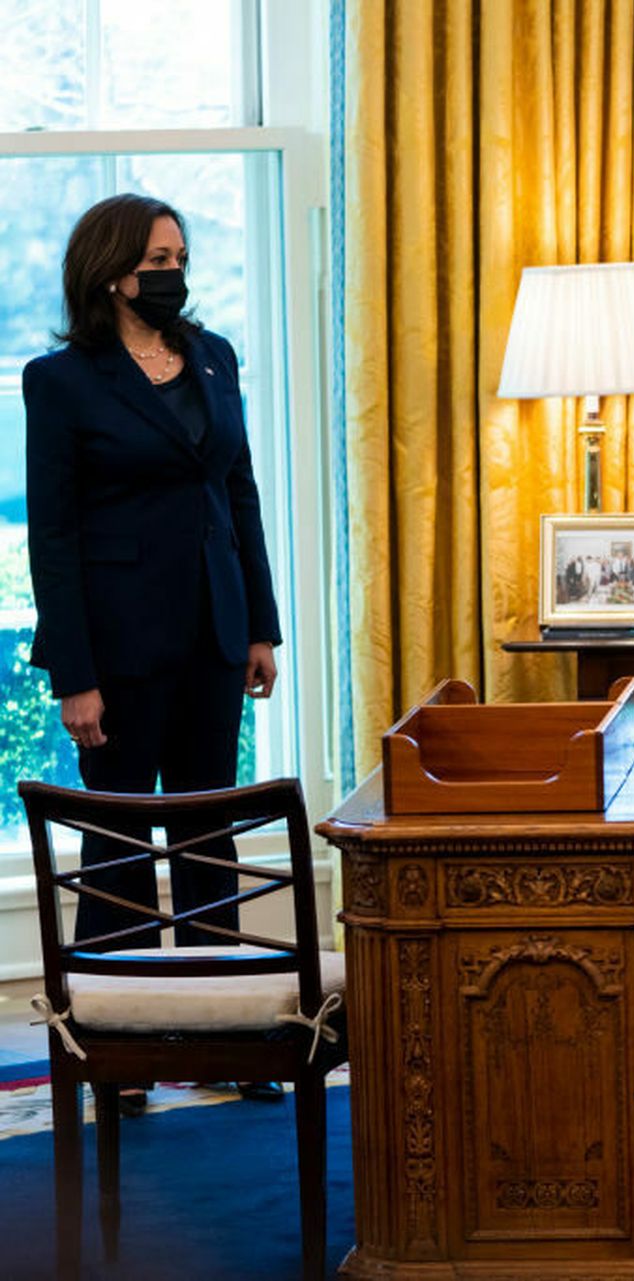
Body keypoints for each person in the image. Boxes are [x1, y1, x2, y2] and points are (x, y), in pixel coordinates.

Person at [25, 193, 285, 1112]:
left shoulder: (214, 357)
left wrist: (261, 625)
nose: (171, 274)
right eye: (154, 261)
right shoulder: (59, 380)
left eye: (179, 255)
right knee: (120, 845)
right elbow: (51, 538)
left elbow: (240, 494)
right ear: (109, 272)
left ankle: (231, 1039)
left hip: (216, 634)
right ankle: (120, 1051)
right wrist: (74, 677)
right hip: (120, 650)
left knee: (209, 835)